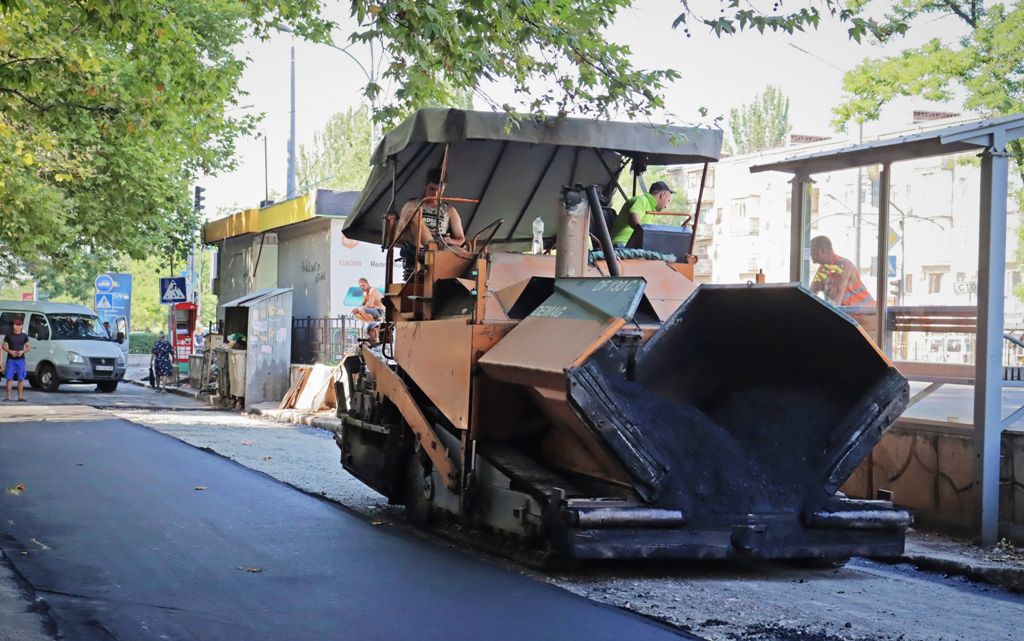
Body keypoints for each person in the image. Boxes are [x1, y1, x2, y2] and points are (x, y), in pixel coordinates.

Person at [397, 167, 466, 250]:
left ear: (444, 189)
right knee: (412, 212)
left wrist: (450, 241)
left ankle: (433, 248)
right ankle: (431, 247)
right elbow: (398, 236)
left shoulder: (450, 210)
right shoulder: (411, 205)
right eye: (432, 189)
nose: (435, 194)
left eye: (439, 190)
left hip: (441, 248)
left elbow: (461, 240)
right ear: (426, 186)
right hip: (418, 249)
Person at [809, 235, 875, 307]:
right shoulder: (824, 268)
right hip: (851, 312)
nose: (810, 254)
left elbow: (833, 303)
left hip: (866, 311)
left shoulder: (841, 265)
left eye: (812, 251)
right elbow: (812, 292)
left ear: (822, 251)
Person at [609, 181, 675, 246]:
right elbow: (633, 218)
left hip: (632, 246)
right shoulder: (642, 200)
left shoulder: (651, 208)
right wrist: (647, 234)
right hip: (621, 244)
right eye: (668, 200)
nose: (666, 206)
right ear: (663, 195)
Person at [2, 317, 30, 402]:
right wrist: (10, 351)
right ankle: (8, 397)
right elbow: (4, 346)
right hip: (11, 360)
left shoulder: (24, 336)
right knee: (9, 378)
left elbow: (28, 346)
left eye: (19, 325)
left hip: (21, 359)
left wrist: (22, 351)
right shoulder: (8, 335)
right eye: (16, 325)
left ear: (21, 326)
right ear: (13, 325)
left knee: (21, 378)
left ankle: (20, 397)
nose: (17, 327)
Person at [351, 278, 385, 345]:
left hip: (380, 312)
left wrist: (359, 309)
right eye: (360, 286)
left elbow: (370, 305)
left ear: (367, 284)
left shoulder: (372, 290)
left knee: (361, 310)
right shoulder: (365, 293)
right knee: (356, 314)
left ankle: (371, 322)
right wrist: (356, 310)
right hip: (373, 312)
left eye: (363, 285)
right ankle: (370, 322)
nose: (362, 287)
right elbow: (363, 304)